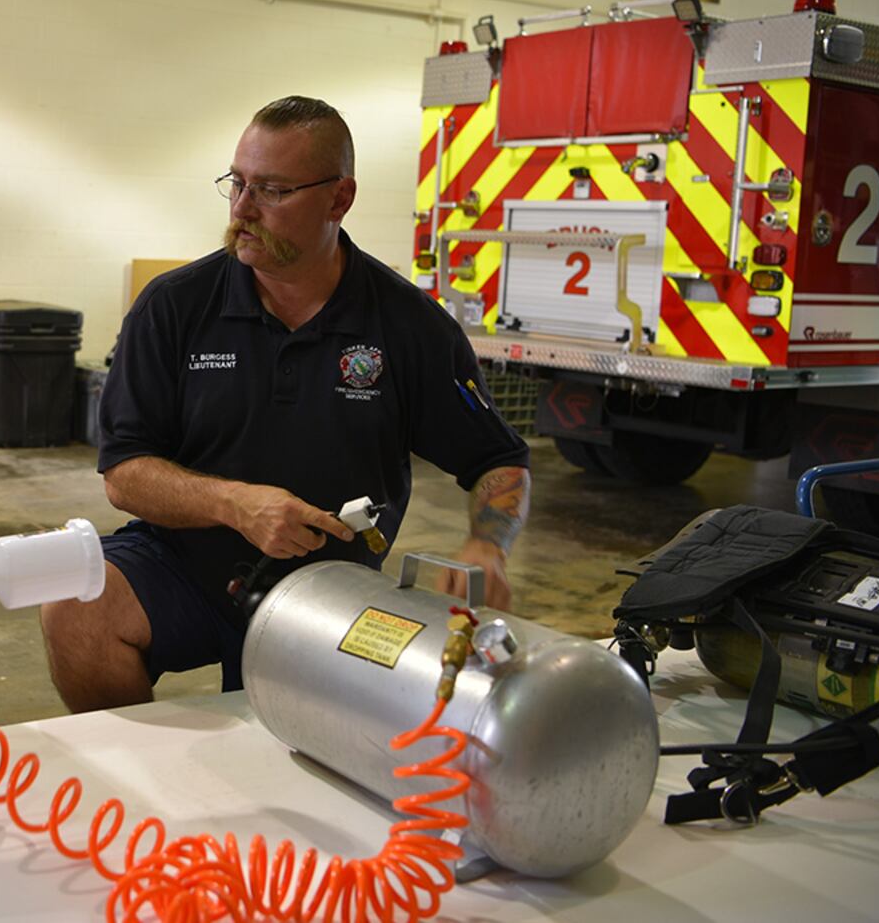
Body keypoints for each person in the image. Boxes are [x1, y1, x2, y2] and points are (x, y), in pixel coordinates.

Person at [39, 95, 531, 713]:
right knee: (74, 601)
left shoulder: (409, 328)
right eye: (237, 184)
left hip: (328, 591)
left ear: (338, 199)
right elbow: (125, 474)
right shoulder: (174, 307)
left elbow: (500, 461)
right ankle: (136, 791)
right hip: (183, 566)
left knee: (321, 742)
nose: (243, 209)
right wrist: (235, 503)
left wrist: (490, 544)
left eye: (271, 190)